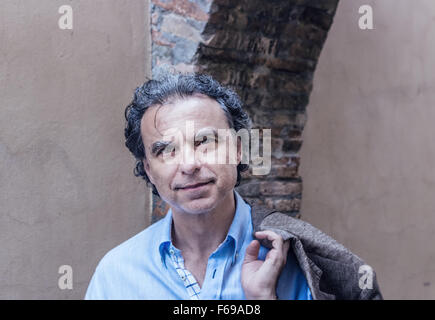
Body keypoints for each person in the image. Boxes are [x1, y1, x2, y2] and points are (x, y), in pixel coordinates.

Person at [85, 73, 382, 300]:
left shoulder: (300, 262)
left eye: (205, 142)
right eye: (166, 150)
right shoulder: (117, 274)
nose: (188, 165)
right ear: (149, 168)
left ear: (238, 149)